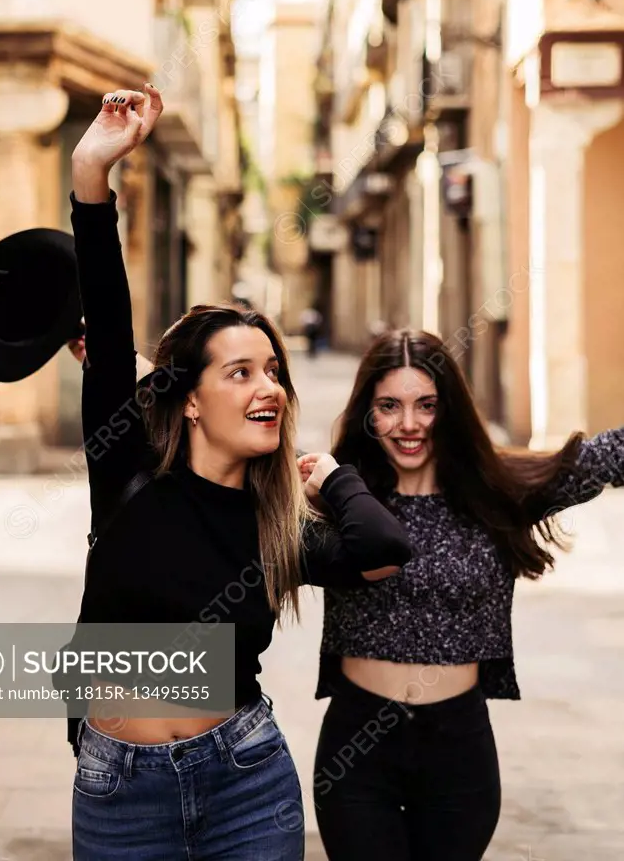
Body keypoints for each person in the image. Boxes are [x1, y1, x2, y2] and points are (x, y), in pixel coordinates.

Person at [68, 84, 413, 861]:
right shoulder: (125, 470)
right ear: (188, 401)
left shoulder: (278, 524)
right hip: (120, 787)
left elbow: (385, 548)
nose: (269, 389)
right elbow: (109, 311)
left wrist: (331, 478)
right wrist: (94, 172)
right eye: (241, 373)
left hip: (245, 775)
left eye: (274, 372)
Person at [302, 328, 624, 861]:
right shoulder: (341, 498)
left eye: (426, 405)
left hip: (459, 751)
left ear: (450, 410)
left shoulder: (495, 493)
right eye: (389, 406)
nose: (409, 425)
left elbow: (608, 457)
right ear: (368, 413)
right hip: (358, 751)